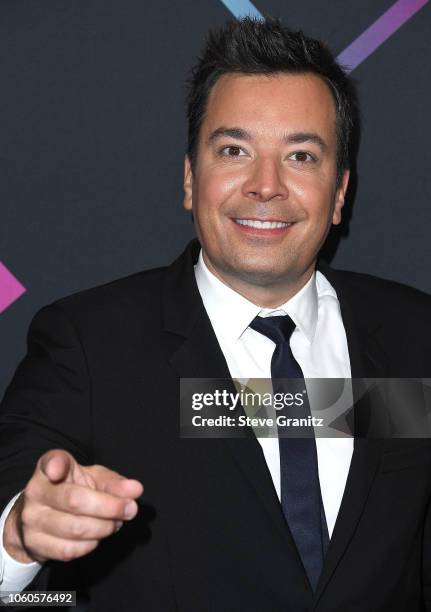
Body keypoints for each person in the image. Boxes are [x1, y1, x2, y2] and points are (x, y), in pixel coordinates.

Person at [1, 16, 430, 611]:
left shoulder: (417, 337)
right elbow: (16, 506)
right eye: (234, 150)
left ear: (338, 194)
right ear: (188, 177)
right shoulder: (90, 343)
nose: (266, 185)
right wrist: (18, 534)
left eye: (301, 156)